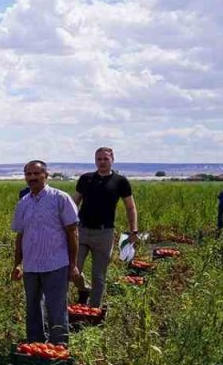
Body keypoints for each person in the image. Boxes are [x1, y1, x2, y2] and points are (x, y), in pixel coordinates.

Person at [10, 160, 81, 345]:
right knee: (33, 307)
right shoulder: (23, 203)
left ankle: (59, 346)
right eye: (28, 174)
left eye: (36, 173)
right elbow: (20, 235)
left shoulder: (60, 198)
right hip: (31, 265)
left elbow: (72, 232)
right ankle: (35, 345)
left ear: (46, 175)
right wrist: (17, 264)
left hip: (56, 263)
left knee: (56, 306)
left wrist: (73, 265)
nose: (32, 177)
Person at [74, 147, 138, 306]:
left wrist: (133, 230)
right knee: (73, 270)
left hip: (104, 234)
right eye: (99, 159)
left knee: (98, 276)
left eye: (105, 159)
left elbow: (130, 207)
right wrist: (65, 224)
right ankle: (84, 289)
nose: (102, 162)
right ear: (95, 161)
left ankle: (94, 310)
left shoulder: (120, 182)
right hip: (81, 231)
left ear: (112, 160)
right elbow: (74, 203)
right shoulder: (86, 179)